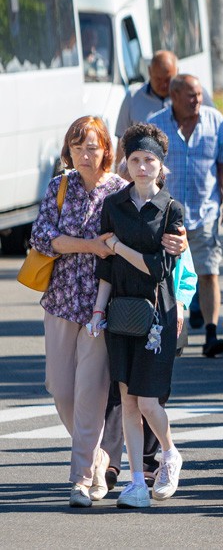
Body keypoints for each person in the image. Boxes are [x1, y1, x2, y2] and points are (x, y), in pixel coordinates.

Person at [30, 117, 129, 506]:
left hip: (100, 306)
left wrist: (68, 242)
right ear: (67, 150)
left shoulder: (119, 192)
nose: (85, 155)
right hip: (59, 301)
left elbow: (125, 241)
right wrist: (91, 245)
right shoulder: (60, 186)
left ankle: (81, 479)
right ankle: (99, 456)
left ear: (107, 149)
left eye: (92, 147)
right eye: (77, 147)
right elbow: (41, 237)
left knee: (90, 392)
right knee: (60, 388)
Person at [90, 123, 187, 508]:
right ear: (126, 164)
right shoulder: (113, 205)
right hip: (120, 313)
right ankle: (135, 483)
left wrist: (117, 245)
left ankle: (170, 452)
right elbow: (106, 269)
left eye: (149, 160)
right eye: (135, 160)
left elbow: (160, 269)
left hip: (157, 313)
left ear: (161, 165)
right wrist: (99, 309)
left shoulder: (171, 208)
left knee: (148, 401)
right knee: (127, 401)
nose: (142, 166)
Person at [148, 75, 223, 358]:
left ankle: (211, 331)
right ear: (173, 95)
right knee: (169, 276)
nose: (197, 99)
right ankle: (173, 334)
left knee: (208, 271)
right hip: (166, 214)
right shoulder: (156, 123)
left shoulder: (214, 120)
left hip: (204, 210)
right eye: (190, 95)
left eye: (199, 94)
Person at [115, 50, 213, 136]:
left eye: (168, 79)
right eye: (158, 79)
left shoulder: (195, 94)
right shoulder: (132, 97)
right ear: (149, 71)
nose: (163, 85)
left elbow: (213, 125)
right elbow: (122, 140)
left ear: (177, 72)